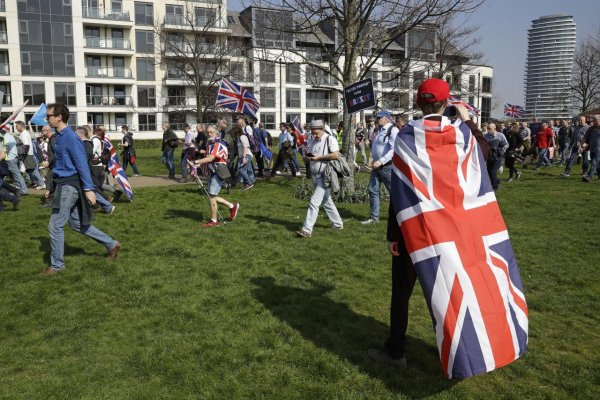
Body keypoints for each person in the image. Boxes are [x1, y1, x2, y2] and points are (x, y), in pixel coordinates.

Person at [368, 78, 490, 370]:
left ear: (418, 104)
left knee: (401, 294)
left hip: (415, 231)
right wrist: (468, 121)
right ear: (446, 103)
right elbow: (484, 152)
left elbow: (399, 192)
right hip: (451, 231)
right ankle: (465, 350)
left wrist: (393, 235)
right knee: (452, 290)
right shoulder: (460, 135)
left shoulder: (407, 136)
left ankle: (396, 351)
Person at [41, 103, 120, 275]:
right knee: (77, 224)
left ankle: (57, 266)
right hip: (63, 184)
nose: (46, 119)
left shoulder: (70, 137)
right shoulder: (58, 137)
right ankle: (111, 244)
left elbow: (82, 164)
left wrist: (89, 189)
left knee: (55, 226)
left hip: (70, 186)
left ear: (59, 117)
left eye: (48, 116)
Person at [296, 119, 344, 238]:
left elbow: (335, 155)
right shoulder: (312, 140)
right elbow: (310, 153)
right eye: (312, 131)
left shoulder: (330, 139)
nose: (313, 134)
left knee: (314, 202)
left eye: (316, 132)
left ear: (322, 129)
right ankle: (338, 224)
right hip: (316, 175)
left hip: (326, 175)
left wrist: (318, 158)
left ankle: (307, 230)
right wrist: (307, 158)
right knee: (326, 201)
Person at [192, 125, 240, 227]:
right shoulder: (211, 144)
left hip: (219, 172)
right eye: (208, 132)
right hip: (213, 171)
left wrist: (196, 161)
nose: (209, 134)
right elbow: (208, 158)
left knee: (212, 196)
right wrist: (197, 165)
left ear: (217, 133)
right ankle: (232, 206)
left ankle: (214, 221)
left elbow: (211, 158)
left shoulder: (218, 144)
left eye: (211, 132)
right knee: (211, 196)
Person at [362, 110, 398, 224]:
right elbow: (377, 147)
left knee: (394, 193)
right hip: (376, 166)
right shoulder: (379, 131)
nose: (377, 120)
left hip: (387, 167)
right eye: (377, 118)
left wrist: (381, 161)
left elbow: (394, 149)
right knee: (373, 190)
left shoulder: (393, 130)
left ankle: (400, 216)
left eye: (379, 118)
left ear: (387, 118)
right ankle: (374, 218)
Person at [15, 121, 46, 190]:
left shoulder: (24, 134)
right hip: (27, 155)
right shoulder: (23, 133)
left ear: (21, 126)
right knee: (29, 171)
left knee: (33, 170)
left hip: (27, 155)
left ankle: (42, 184)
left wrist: (22, 156)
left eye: (17, 126)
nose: (16, 127)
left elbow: (26, 146)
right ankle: (35, 182)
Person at [0, 128, 29, 195]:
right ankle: (18, 189)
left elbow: (4, 147)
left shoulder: (6, 137)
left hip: (11, 158)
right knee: (14, 175)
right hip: (13, 157)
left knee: (17, 175)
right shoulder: (10, 136)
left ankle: (24, 190)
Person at [483, 122, 508, 190]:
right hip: (490, 157)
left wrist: (501, 151)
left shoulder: (500, 135)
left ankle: (495, 187)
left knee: (493, 172)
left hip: (498, 157)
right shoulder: (485, 136)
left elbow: (506, 145)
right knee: (489, 172)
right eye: (488, 128)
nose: (488, 130)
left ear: (494, 128)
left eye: (490, 128)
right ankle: (497, 181)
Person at [235, 122, 256, 190]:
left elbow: (245, 147)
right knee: (245, 169)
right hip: (242, 156)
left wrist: (244, 158)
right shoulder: (239, 138)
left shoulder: (242, 137)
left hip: (246, 155)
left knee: (241, 170)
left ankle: (249, 183)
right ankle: (247, 184)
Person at [581, 115, 600, 182]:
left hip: (599, 149)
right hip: (592, 148)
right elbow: (585, 137)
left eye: (596, 121)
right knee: (596, 163)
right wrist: (582, 145)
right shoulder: (591, 129)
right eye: (593, 121)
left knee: (594, 162)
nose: (594, 122)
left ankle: (589, 177)